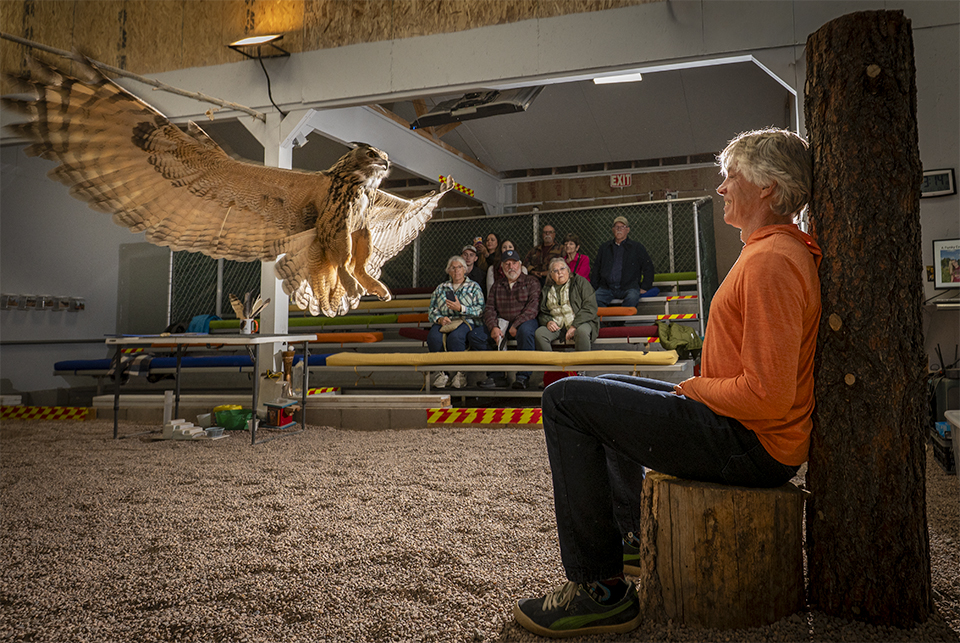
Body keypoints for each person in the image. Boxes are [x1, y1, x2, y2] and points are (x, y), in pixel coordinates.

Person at [514, 128, 821, 638]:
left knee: (563, 400)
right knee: (603, 389)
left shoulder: (772, 261)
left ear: (768, 187)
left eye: (731, 177)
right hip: (738, 426)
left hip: (751, 443)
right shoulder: (770, 250)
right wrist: (698, 389)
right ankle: (629, 541)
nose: (722, 188)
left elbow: (768, 396)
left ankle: (600, 589)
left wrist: (696, 389)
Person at [468, 249, 541, 390]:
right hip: (502, 323)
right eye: (507, 264)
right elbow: (489, 309)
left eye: (514, 263)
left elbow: (533, 308)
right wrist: (493, 327)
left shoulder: (531, 281)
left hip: (524, 322)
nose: (510, 267)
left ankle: (523, 377)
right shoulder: (497, 285)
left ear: (520, 265)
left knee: (526, 331)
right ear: (502, 267)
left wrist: (517, 324)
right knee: (476, 336)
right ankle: (497, 376)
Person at [426, 255, 485, 390]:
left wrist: (461, 308)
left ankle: (460, 373)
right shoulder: (441, 288)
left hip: (465, 320)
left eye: (459, 267)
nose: (456, 271)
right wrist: (440, 319)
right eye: (453, 268)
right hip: (445, 321)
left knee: (456, 337)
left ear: (465, 270)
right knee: (433, 338)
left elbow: (480, 310)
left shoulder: (473, 287)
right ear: (448, 271)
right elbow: (432, 310)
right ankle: (443, 373)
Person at [590, 216, 658, 307]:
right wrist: (594, 288)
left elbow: (648, 267)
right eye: (616, 227)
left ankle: (617, 321)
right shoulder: (604, 248)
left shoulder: (637, 248)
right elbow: (596, 269)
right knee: (593, 300)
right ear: (613, 230)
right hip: (606, 288)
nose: (619, 229)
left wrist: (645, 287)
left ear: (628, 230)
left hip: (629, 287)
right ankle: (605, 321)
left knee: (632, 298)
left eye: (622, 227)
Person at [535, 257, 599, 352]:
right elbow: (542, 312)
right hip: (558, 325)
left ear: (568, 270)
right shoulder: (547, 289)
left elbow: (590, 307)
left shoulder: (580, 282)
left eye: (562, 268)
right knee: (540, 333)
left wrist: (574, 326)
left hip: (582, 322)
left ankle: (582, 365)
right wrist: (548, 322)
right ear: (551, 275)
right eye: (555, 270)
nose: (559, 272)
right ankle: (551, 364)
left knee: (581, 332)